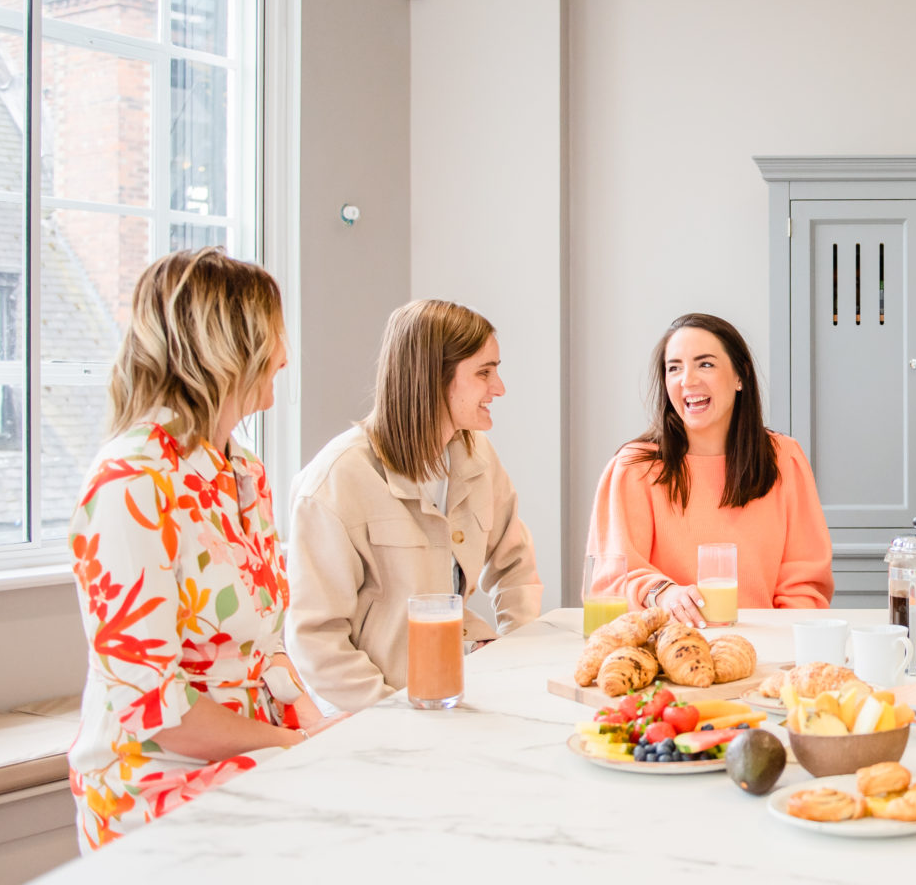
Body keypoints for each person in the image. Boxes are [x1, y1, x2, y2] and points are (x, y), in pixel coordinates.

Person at [67, 248, 335, 850]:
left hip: (259, 752)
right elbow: (156, 707)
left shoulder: (243, 471)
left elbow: (267, 655)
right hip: (156, 782)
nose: (286, 355)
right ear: (225, 347)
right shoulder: (131, 483)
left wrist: (323, 729)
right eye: (274, 333)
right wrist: (297, 749)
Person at [287, 300, 541, 711]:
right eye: (484, 372)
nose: (499, 387)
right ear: (433, 379)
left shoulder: (477, 456)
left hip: (457, 690)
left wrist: (519, 655)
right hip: (370, 714)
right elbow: (315, 638)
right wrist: (392, 713)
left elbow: (515, 567)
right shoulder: (335, 481)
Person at [588, 313, 832, 624]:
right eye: (674, 368)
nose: (687, 380)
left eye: (705, 364)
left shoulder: (785, 458)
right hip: (667, 650)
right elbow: (613, 579)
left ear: (740, 376)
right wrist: (663, 592)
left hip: (767, 651)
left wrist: (782, 646)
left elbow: (804, 585)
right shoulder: (634, 468)